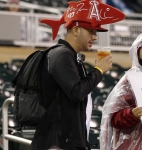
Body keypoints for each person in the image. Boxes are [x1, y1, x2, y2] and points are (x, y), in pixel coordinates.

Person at [30, 0, 125, 150]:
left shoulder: (70, 56)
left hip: (68, 141)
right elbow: (77, 91)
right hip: (57, 144)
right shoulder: (61, 54)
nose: (95, 37)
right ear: (76, 30)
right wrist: (98, 71)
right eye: (91, 31)